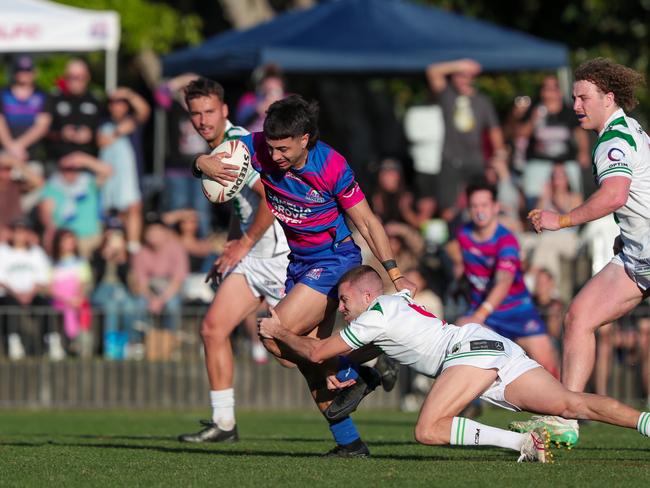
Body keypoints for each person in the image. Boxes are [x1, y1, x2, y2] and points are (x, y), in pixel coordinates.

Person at [194, 94, 415, 457]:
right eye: (271, 147)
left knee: (273, 331)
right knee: (293, 357)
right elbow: (209, 156)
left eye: (283, 149)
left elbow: (368, 221)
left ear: (305, 139)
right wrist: (204, 163)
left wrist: (394, 272)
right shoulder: (257, 147)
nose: (275, 156)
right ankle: (351, 440)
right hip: (299, 264)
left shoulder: (331, 165)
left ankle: (358, 371)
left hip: (334, 260)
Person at [258, 265, 650, 463]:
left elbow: (315, 352)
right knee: (570, 404)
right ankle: (646, 424)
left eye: (344, 301)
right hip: (492, 346)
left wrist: (279, 329)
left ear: (365, 294)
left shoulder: (375, 314)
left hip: (469, 353)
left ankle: (523, 444)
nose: (341, 309)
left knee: (428, 430)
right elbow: (351, 349)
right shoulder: (394, 303)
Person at [525, 58, 650, 446]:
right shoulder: (627, 130)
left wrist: (560, 220)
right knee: (578, 317)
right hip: (636, 258)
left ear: (608, 98)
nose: (576, 105)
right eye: (574, 97)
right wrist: (628, 234)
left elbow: (614, 195)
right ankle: (566, 417)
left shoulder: (613, 140)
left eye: (584, 97)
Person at [177, 77, 291, 444]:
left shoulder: (237, 146)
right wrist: (230, 248)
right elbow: (240, 206)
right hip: (248, 255)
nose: (202, 120)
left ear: (225, 110)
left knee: (291, 353)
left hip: (274, 255)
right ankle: (224, 422)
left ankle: (365, 362)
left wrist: (243, 245)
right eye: (195, 113)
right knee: (212, 329)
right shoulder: (216, 150)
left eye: (209, 111)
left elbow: (271, 199)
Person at [446, 181, 560, 381]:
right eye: (475, 206)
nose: (479, 211)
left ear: (495, 207)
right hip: (486, 315)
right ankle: (469, 402)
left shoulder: (506, 241)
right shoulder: (463, 235)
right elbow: (466, 265)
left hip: (517, 312)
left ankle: (562, 411)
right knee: (458, 350)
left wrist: (479, 316)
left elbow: (504, 281)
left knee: (548, 367)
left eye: (484, 205)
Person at [425, 58, 506, 222]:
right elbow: (432, 71)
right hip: (450, 160)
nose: (461, 79)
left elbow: (494, 130)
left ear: (471, 78)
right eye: (458, 75)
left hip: (476, 162)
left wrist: (498, 157)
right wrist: (460, 64)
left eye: (465, 75)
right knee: (448, 210)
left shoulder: (482, 101)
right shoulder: (447, 95)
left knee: (478, 204)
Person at [97, 87, 150, 253]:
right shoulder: (103, 123)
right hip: (110, 172)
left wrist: (128, 93)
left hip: (130, 174)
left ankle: (133, 245)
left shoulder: (133, 120)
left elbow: (144, 110)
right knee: (111, 211)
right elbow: (102, 141)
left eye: (120, 103)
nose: (116, 106)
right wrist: (118, 131)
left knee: (133, 207)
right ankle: (111, 247)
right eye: (113, 102)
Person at [45, 58, 104, 161]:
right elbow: (43, 130)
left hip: (88, 161)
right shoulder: (54, 98)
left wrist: (91, 135)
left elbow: (105, 131)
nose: (74, 81)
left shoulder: (96, 100)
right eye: (70, 77)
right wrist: (61, 134)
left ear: (87, 77)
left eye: (78, 77)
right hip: (59, 161)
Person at [0, 55, 50, 162]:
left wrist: (19, 146)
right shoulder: (3, 93)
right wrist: (11, 147)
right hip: (5, 152)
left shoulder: (42, 95)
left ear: (34, 73)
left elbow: (42, 126)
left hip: (31, 154)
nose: (24, 74)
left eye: (27, 71)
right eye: (20, 71)